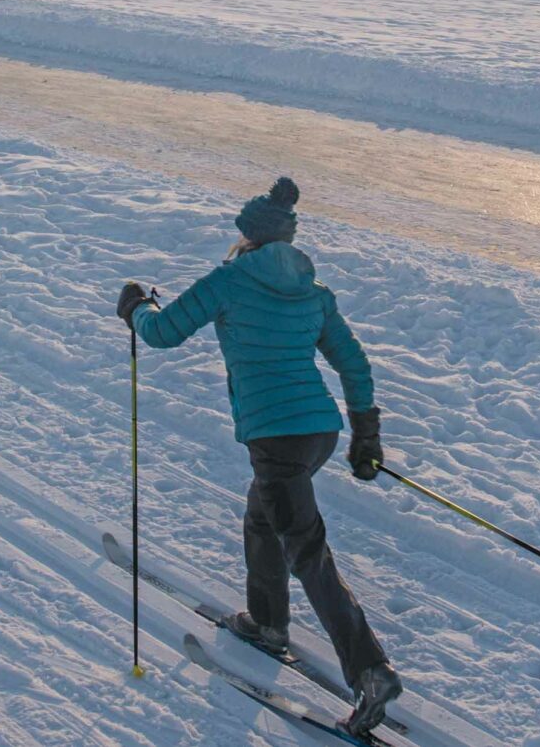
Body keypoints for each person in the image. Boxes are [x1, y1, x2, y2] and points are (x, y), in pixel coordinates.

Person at [117, 176, 401, 734]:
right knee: (262, 517)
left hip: (275, 435)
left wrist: (135, 311)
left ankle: (370, 670)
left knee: (308, 552)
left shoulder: (229, 280)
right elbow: (353, 362)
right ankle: (268, 623)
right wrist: (365, 434)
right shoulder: (313, 293)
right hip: (318, 431)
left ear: (247, 239)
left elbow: (164, 332)